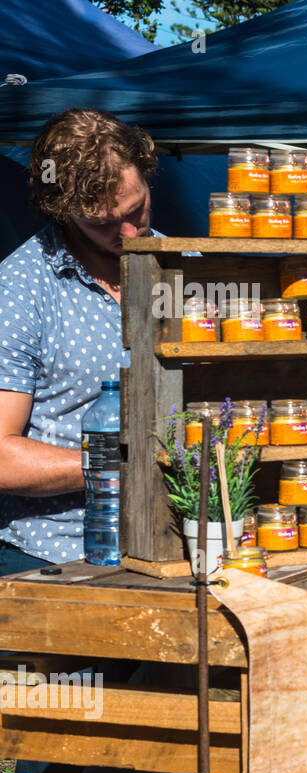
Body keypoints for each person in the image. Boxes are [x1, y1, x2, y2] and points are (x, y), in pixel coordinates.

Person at [0, 108, 154, 573]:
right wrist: (129, 461)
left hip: (176, 542)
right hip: (56, 557)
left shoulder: (186, 265)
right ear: (63, 212)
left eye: (136, 210)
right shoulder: (20, 288)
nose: (128, 233)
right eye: (104, 223)